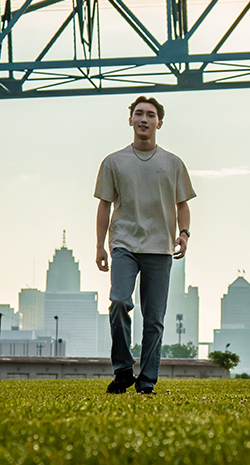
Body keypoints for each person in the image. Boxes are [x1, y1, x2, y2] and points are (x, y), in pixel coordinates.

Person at [95, 96, 195, 395]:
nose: (143, 119)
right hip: (123, 244)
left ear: (159, 123)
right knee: (120, 303)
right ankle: (123, 370)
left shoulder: (173, 163)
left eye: (150, 115)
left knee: (154, 319)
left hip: (160, 248)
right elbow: (104, 206)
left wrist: (185, 233)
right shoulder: (113, 162)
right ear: (130, 120)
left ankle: (147, 381)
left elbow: (183, 205)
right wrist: (100, 246)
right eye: (138, 114)